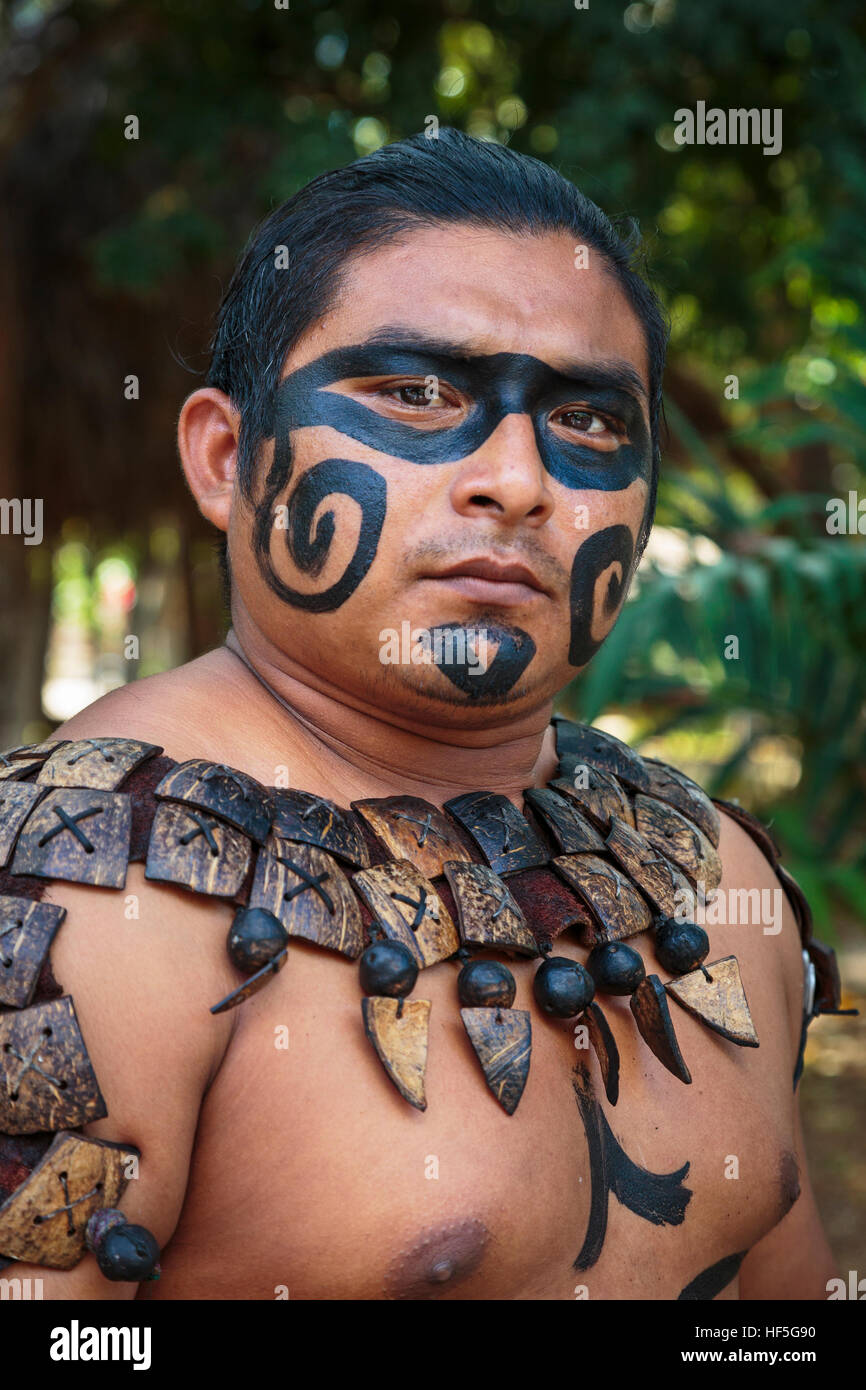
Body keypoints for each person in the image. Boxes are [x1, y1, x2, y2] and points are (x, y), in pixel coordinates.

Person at [0, 129, 843, 1300]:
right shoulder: (88, 894)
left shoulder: (704, 867)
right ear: (223, 457)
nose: (518, 478)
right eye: (414, 393)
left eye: (588, 420)